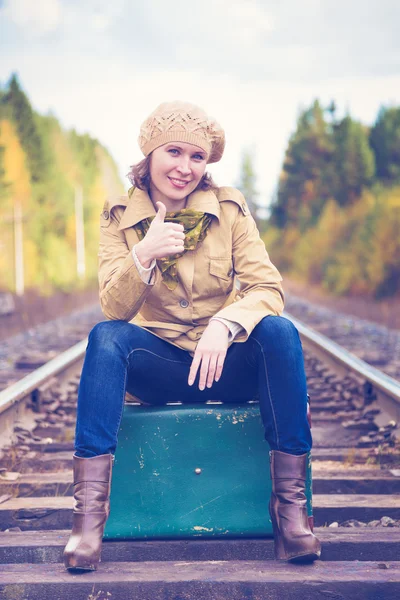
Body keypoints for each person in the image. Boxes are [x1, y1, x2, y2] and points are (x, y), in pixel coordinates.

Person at [63, 101, 321, 571]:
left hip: (222, 363)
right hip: (160, 367)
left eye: (196, 157)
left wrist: (225, 325)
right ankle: (87, 524)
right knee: (105, 338)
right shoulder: (118, 216)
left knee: (280, 333)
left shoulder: (229, 208)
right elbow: (114, 309)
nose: (184, 167)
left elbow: (268, 287)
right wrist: (142, 255)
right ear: (150, 154)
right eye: (174, 152)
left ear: (207, 164)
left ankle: (290, 515)